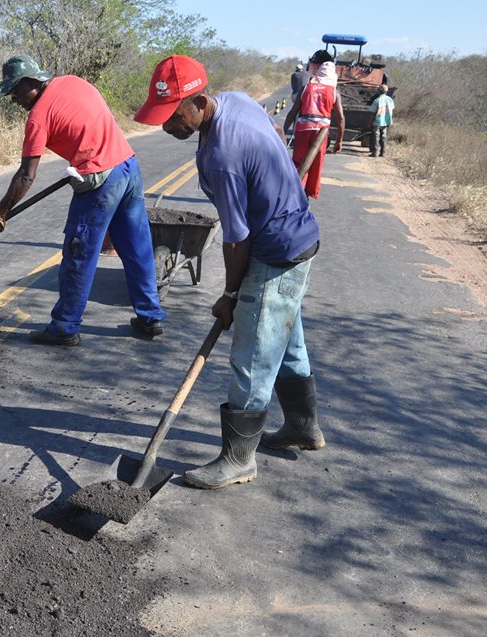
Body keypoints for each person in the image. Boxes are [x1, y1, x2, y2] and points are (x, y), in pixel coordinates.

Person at [134, 55, 325, 489]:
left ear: (200, 102)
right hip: (297, 235)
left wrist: (231, 295)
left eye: (173, 116)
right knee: (285, 340)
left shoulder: (223, 156)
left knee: (253, 354)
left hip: (275, 250)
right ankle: (303, 426)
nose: (166, 126)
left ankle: (239, 459)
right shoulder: (236, 100)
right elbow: (273, 135)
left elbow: (236, 239)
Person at [0, 54, 166, 346]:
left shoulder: (38, 117)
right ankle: (150, 316)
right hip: (128, 167)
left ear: (31, 82)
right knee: (136, 247)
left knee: (79, 253)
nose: (14, 99)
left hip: (102, 182)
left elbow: (26, 175)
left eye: (15, 91)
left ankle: (64, 327)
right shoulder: (74, 82)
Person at [283, 49, 344, 199]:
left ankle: (295, 193)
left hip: (303, 130)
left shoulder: (306, 88)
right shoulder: (334, 92)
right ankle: (307, 195)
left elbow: (292, 113)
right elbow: (341, 118)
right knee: (316, 165)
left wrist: (282, 133)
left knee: (298, 162)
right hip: (321, 133)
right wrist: (339, 140)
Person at [369, 84, 394, 157]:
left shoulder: (377, 100)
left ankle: (374, 153)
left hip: (377, 121)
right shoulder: (390, 100)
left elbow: (373, 112)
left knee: (376, 136)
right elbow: (391, 110)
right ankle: (383, 153)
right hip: (386, 122)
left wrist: (370, 122)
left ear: (379, 91)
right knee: (383, 136)